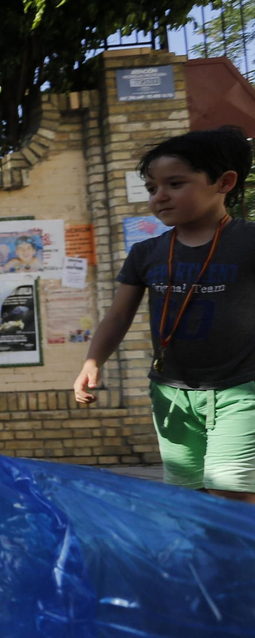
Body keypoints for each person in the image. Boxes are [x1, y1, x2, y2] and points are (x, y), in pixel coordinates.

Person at [75, 127, 255, 503]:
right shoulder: (146, 253)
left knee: (231, 490)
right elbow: (118, 315)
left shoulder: (248, 241)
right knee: (187, 497)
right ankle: (200, 561)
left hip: (242, 388)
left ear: (224, 182)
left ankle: (237, 562)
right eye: (152, 188)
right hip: (172, 392)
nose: (160, 197)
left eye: (175, 184)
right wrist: (93, 362)